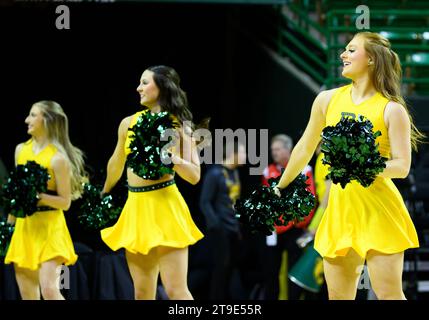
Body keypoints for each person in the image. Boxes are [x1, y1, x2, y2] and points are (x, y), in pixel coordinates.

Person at [274, 32, 423, 300]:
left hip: (378, 211)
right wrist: (281, 185)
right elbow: (305, 147)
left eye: (352, 50)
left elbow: (401, 166)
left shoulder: (391, 109)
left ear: (372, 60)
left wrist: (362, 167)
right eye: (344, 49)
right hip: (340, 212)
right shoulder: (326, 100)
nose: (343, 54)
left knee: (389, 294)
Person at [100, 65, 204, 300]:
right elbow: (116, 162)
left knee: (176, 291)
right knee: (142, 293)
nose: (139, 88)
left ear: (162, 87)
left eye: (145, 82)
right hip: (136, 209)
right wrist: (104, 192)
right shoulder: (128, 123)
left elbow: (194, 175)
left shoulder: (179, 125)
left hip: (165, 209)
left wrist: (171, 157)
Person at [5, 100, 86, 300]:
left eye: (33, 115)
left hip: (51, 229)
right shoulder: (20, 150)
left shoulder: (58, 159)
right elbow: (17, 195)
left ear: (47, 120)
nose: (27, 120)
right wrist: (8, 228)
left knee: (50, 291)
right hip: (25, 228)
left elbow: (65, 202)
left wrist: (37, 196)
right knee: (27, 294)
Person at [261, 134, 315, 300]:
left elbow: (310, 200)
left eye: (277, 149)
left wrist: (300, 222)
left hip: (295, 229)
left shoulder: (304, 169)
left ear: (288, 149)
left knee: (294, 272)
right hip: (275, 230)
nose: (274, 153)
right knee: (271, 272)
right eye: (272, 150)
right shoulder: (267, 171)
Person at [199, 140, 246, 299]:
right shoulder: (214, 173)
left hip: (233, 228)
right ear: (233, 154)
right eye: (242, 153)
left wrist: (238, 226)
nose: (245, 156)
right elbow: (205, 202)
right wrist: (216, 225)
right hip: (220, 230)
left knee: (231, 268)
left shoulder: (235, 173)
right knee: (221, 268)